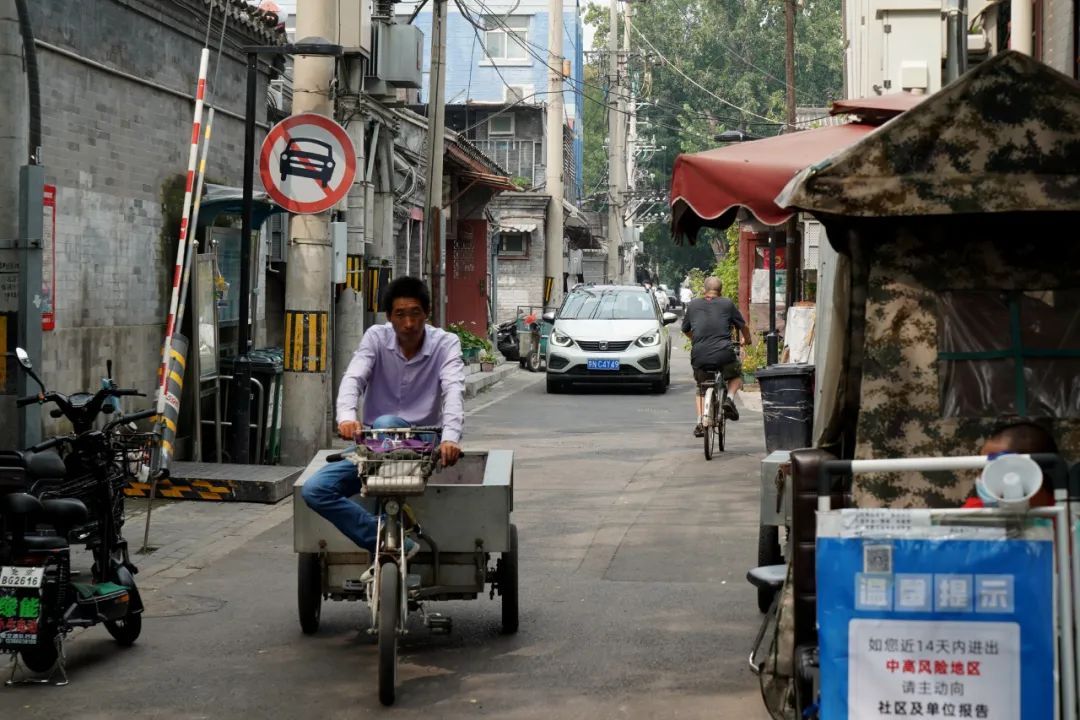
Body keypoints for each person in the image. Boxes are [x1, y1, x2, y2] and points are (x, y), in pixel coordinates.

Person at [301, 276, 465, 559]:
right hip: (375, 445)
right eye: (400, 315)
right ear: (389, 317)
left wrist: (450, 438)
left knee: (387, 423)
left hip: (422, 445)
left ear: (427, 313)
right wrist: (346, 418)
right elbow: (354, 377)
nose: (409, 323)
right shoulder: (376, 338)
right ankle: (386, 537)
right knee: (315, 490)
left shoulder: (446, 344)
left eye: (415, 313)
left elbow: (453, 390)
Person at [682, 277, 752, 437]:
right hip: (723, 353)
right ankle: (729, 398)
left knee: (701, 387)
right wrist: (747, 340)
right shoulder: (727, 303)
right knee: (735, 375)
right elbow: (743, 326)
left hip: (699, 354)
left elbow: (685, 328)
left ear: (703, 289)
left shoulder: (693, 305)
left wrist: (696, 339)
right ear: (721, 291)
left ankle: (700, 421)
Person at [964, 420, 1058, 508]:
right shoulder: (971, 513)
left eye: (993, 468)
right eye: (981, 469)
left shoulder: (1065, 516)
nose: (981, 478)